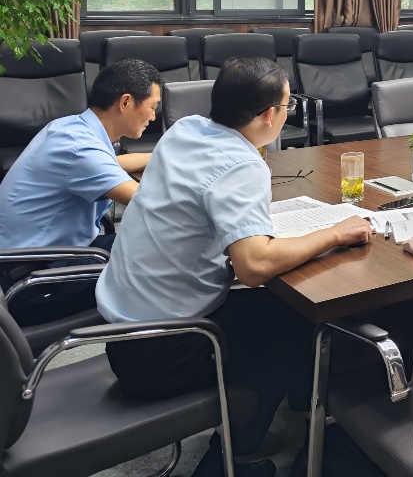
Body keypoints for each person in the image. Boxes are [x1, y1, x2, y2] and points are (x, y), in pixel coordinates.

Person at [96, 57, 372, 477]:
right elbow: (254, 266)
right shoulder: (242, 165)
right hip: (164, 351)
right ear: (268, 115)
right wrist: (334, 234)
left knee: (277, 311)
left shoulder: (186, 129)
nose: (288, 113)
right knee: (297, 324)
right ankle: (230, 459)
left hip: (121, 331)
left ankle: (299, 407)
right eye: (288, 106)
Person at [0, 59, 159, 326]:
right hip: (32, 282)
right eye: (152, 107)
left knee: (150, 244)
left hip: (41, 257)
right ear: (126, 102)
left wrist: (159, 156)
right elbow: (152, 203)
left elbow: (111, 163)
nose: (153, 117)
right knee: (163, 260)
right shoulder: (79, 148)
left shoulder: (71, 128)